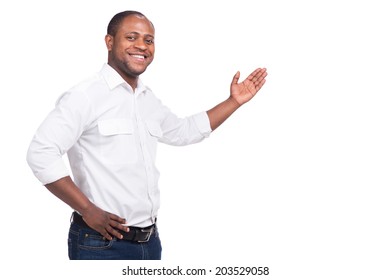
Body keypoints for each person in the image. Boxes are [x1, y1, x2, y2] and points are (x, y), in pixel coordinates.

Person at [26, 10, 267, 260]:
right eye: (131, 37)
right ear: (109, 42)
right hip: (100, 243)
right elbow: (41, 153)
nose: (142, 46)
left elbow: (185, 131)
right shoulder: (85, 96)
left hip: (150, 242)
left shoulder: (146, 98)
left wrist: (234, 102)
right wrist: (86, 209)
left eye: (149, 40)